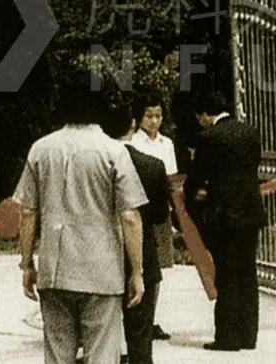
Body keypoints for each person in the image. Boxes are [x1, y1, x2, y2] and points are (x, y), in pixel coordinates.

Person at [13, 83, 147, 364]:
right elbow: (129, 216)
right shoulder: (113, 151)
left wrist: (27, 263)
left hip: (55, 268)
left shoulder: (41, 149)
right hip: (102, 268)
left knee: (58, 352)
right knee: (102, 351)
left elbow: (27, 212)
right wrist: (137, 271)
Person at [184, 89, 266, 352]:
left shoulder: (208, 138)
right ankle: (248, 335)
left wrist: (193, 197)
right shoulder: (251, 132)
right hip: (251, 212)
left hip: (222, 214)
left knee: (227, 274)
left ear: (205, 115)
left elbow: (196, 177)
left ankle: (228, 336)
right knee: (247, 272)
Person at [105, 104, 170, 364]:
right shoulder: (153, 166)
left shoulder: (95, 164)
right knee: (140, 333)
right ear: (132, 125)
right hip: (142, 252)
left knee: (100, 335)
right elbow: (159, 215)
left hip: (102, 253)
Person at [129, 95, 178, 341]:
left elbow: (171, 179)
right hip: (138, 210)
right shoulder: (132, 143)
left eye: (158, 116)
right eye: (149, 116)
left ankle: (151, 318)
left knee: (156, 269)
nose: (154, 121)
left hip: (160, 211)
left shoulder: (166, 144)